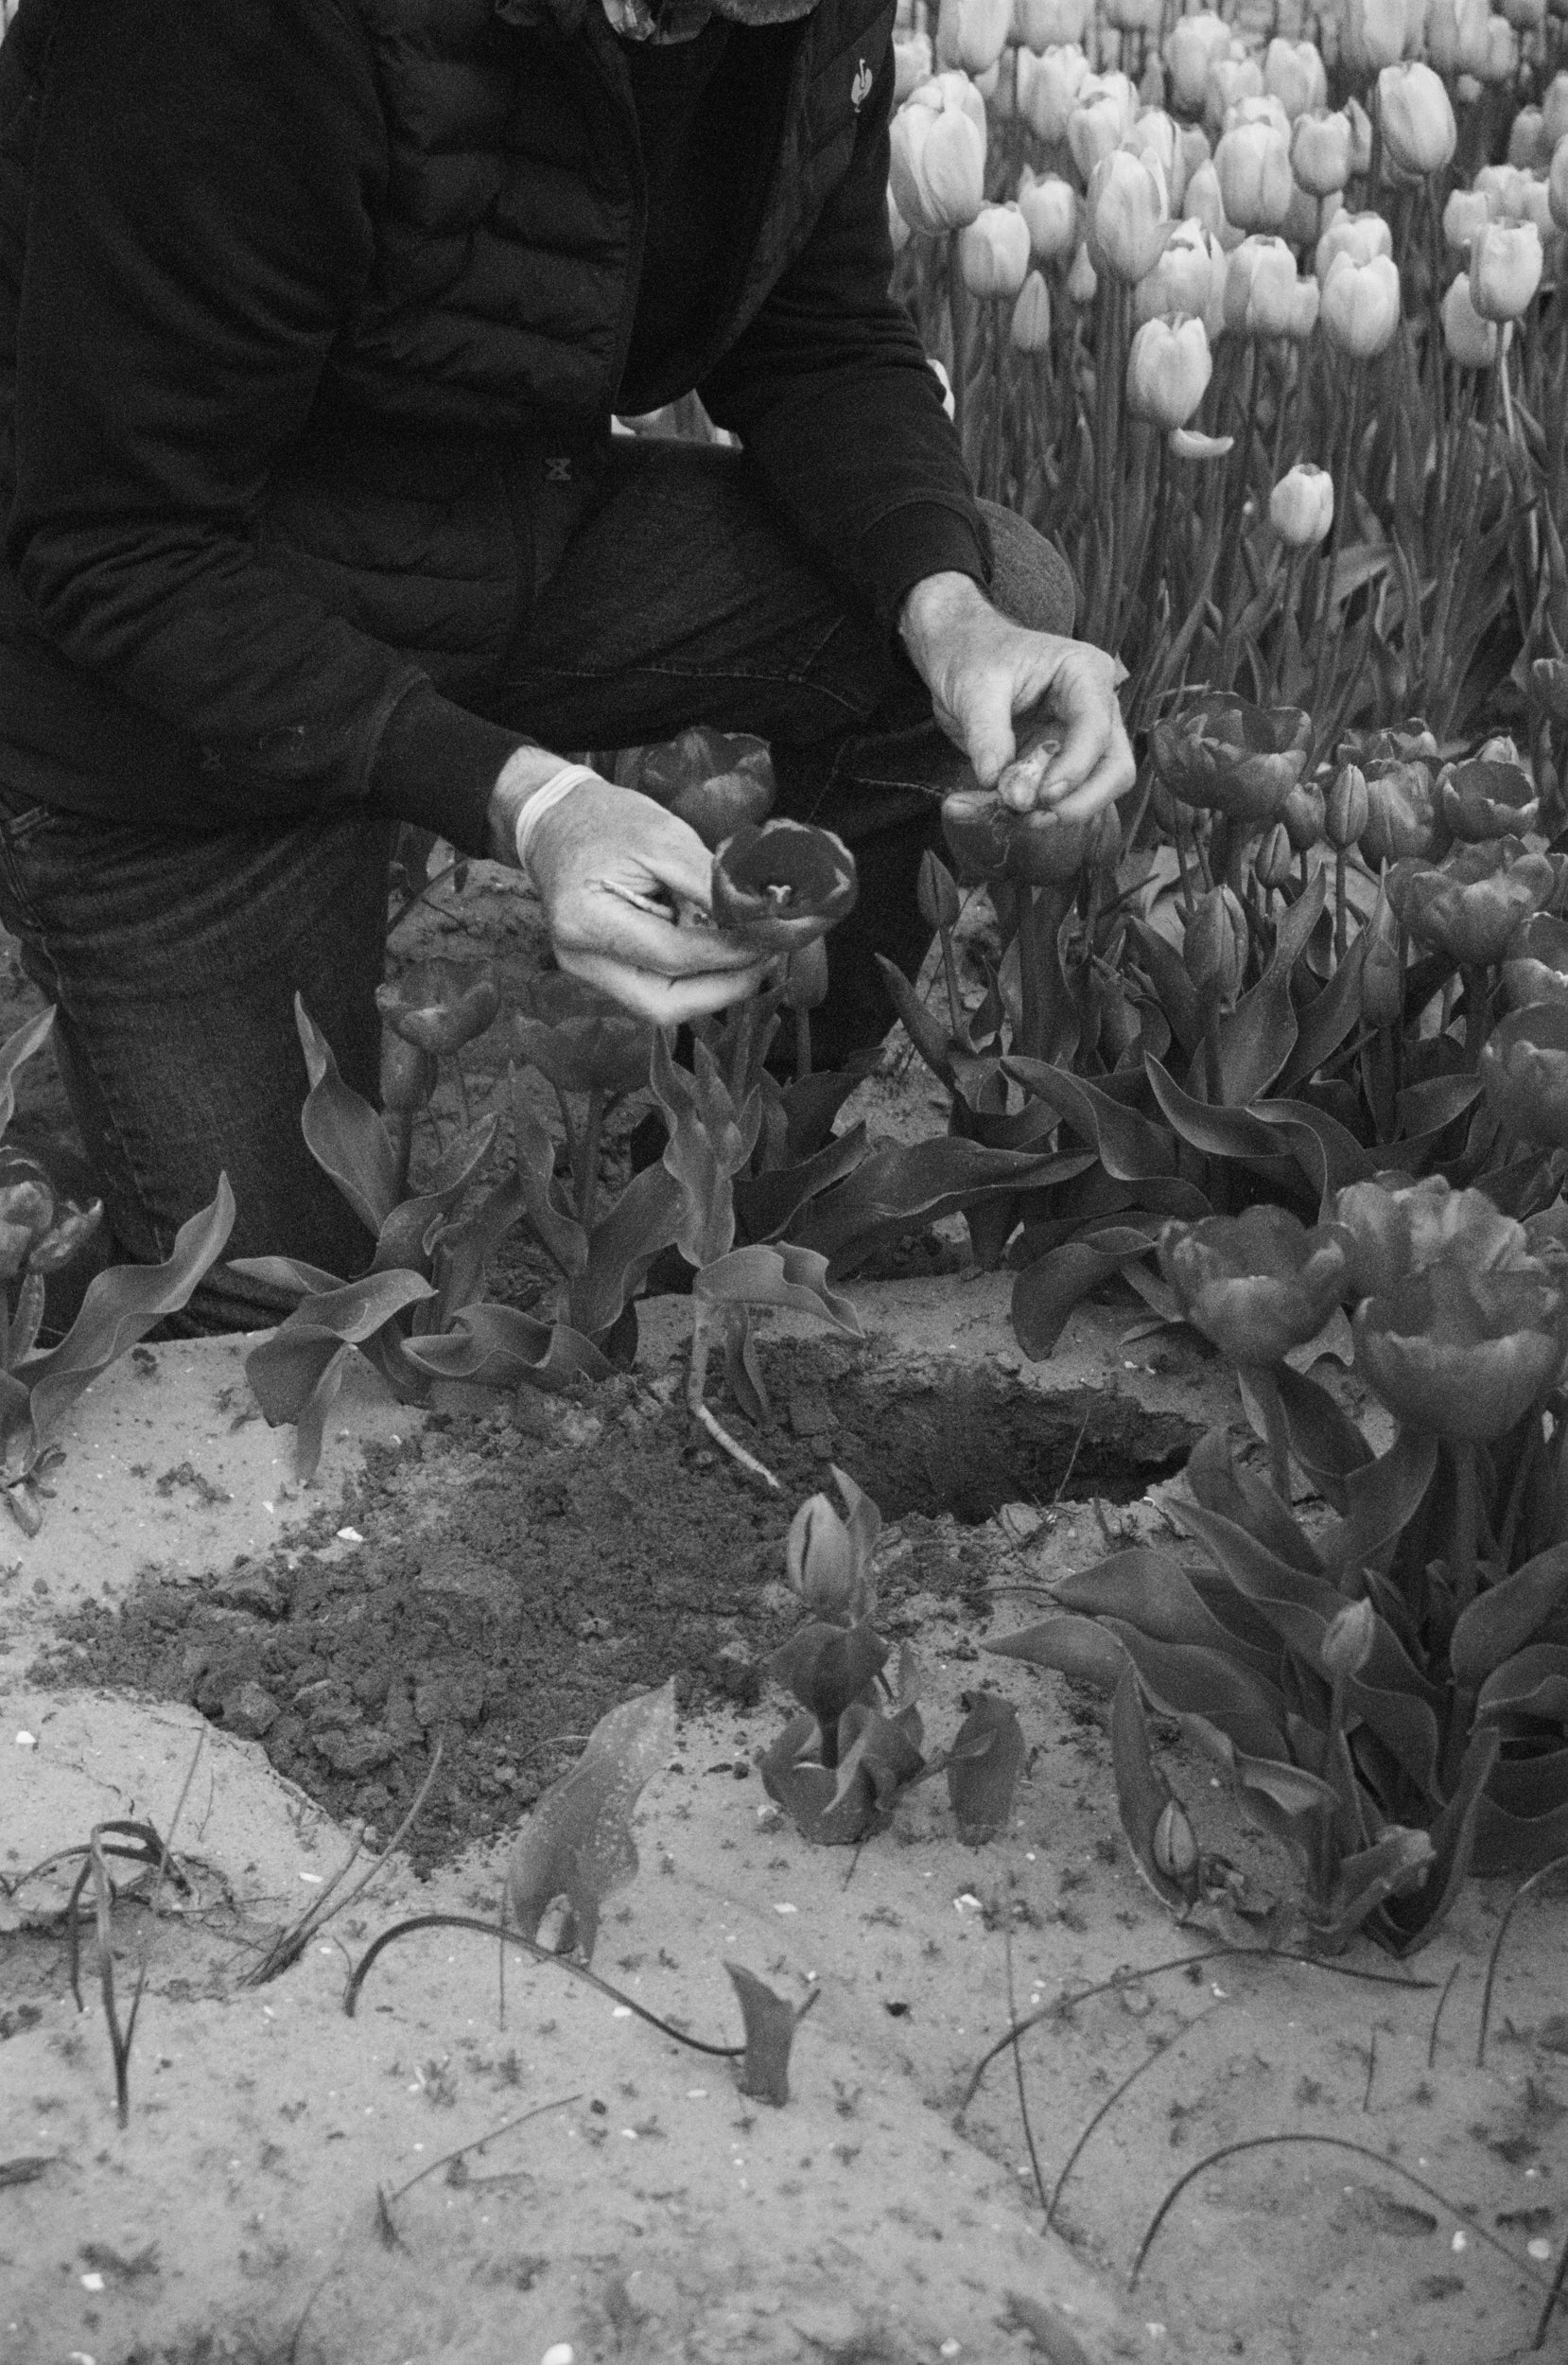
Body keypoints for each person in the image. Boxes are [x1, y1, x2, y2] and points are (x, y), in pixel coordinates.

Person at [0, 0, 1133, 1330]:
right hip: (147, 678)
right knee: (293, 1330)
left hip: (472, 530)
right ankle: (79, 1169)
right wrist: (536, 802)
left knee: (992, 583)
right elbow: (112, 541)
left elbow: (814, 333)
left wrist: (949, 616)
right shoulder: (223, 34)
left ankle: (705, 1197)